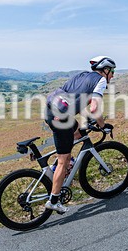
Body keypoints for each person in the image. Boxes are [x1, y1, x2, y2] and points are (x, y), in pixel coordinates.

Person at [43, 55, 115, 214]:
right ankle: (54, 200)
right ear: (105, 70)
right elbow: (95, 108)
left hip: (51, 111)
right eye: (112, 71)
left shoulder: (82, 75)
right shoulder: (100, 81)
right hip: (60, 120)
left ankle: (59, 168)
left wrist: (86, 116)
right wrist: (103, 126)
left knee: (77, 132)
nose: (113, 75)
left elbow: (74, 98)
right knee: (64, 159)